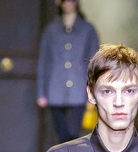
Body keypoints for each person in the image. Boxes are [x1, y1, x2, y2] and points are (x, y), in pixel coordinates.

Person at [36, 0, 99, 143]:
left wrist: (92, 92)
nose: (68, 3)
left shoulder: (88, 29)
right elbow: (44, 61)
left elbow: (94, 63)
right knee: (61, 133)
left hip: (79, 89)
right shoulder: (51, 30)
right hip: (55, 89)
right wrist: (41, 92)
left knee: (74, 133)